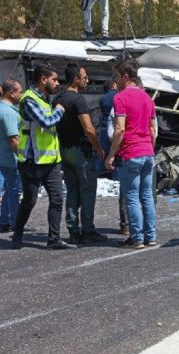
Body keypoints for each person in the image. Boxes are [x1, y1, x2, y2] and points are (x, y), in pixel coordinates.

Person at [13, 64, 75, 250]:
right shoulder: (29, 100)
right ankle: (17, 233)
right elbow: (46, 122)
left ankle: (53, 239)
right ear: (43, 79)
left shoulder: (45, 99)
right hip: (32, 163)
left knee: (57, 199)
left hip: (51, 162)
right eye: (54, 79)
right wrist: (60, 110)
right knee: (29, 201)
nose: (57, 83)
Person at [106, 60, 159, 250]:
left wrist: (111, 155)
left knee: (132, 196)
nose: (116, 81)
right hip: (148, 152)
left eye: (117, 77)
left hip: (131, 152)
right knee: (147, 196)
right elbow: (153, 130)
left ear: (126, 76)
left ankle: (136, 237)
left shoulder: (120, 98)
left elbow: (119, 129)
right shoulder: (147, 98)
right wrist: (151, 149)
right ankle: (150, 235)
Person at [55, 63, 108, 245]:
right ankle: (88, 230)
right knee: (87, 191)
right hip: (80, 150)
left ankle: (73, 230)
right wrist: (99, 147)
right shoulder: (78, 100)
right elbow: (88, 128)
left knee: (72, 191)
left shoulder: (58, 98)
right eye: (84, 77)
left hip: (64, 150)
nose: (87, 80)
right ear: (76, 79)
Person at [0, 79, 24, 233]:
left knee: (9, 190)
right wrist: (23, 158)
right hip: (11, 158)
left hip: (1, 156)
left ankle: (4, 221)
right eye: (19, 91)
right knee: (15, 191)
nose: (21, 95)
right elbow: (14, 139)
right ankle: (16, 223)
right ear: (11, 92)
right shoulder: (8, 112)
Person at [98, 77, 129, 237]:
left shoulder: (104, 99)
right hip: (137, 147)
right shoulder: (119, 98)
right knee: (142, 194)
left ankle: (126, 226)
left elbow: (115, 129)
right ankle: (144, 230)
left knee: (125, 191)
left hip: (107, 130)